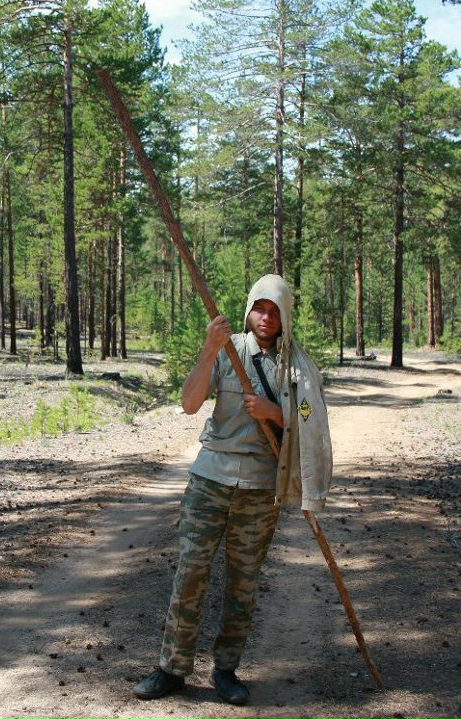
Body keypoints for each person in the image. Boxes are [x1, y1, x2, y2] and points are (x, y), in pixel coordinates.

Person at [133, 273, 333, 706]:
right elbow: (189, 403)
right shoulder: (227, 351)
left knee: (242, 583)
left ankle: (225, 670)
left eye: (274, 310)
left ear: (285, 317)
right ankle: (172, 667)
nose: (266, 317)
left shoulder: (297, 367)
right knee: (190, 573)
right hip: (210, 481)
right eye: (260, 308)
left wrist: (275, 412)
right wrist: (208, 349)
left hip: (260, 489)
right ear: (248, 311)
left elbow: (308, 416)